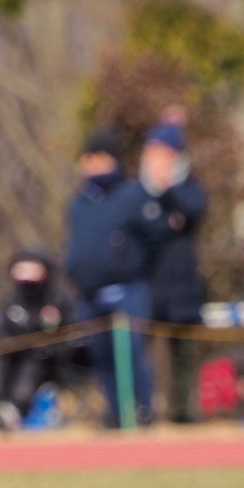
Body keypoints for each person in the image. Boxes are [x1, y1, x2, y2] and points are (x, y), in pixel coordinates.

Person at [63, 128, 166, 427]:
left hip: (129, 289)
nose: (91, 164)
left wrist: (132, 267)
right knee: (101, 354)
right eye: (87, 158)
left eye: (98, 157)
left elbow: (155, 239)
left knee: (132, 350)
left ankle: (143, 410)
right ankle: (115, 412)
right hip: (89, 292)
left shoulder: (133, 196)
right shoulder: (80, 202)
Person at [0, 250, 76, 436]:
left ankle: (15, 408)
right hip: (12, 356)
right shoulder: (11, 299)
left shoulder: (59, 299)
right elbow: (4, 330)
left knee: (33, 358)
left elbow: (70, 335)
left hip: (50, 361)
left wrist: (52, 348)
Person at [140, 122, 209, 423]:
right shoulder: (138, 192)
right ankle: (144, 409)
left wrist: (168, 187)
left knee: (183, 353)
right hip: (147, 285)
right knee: (143, 352)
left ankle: (183, 411)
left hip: (182, 287)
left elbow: (192, 212)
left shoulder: (190, 187)